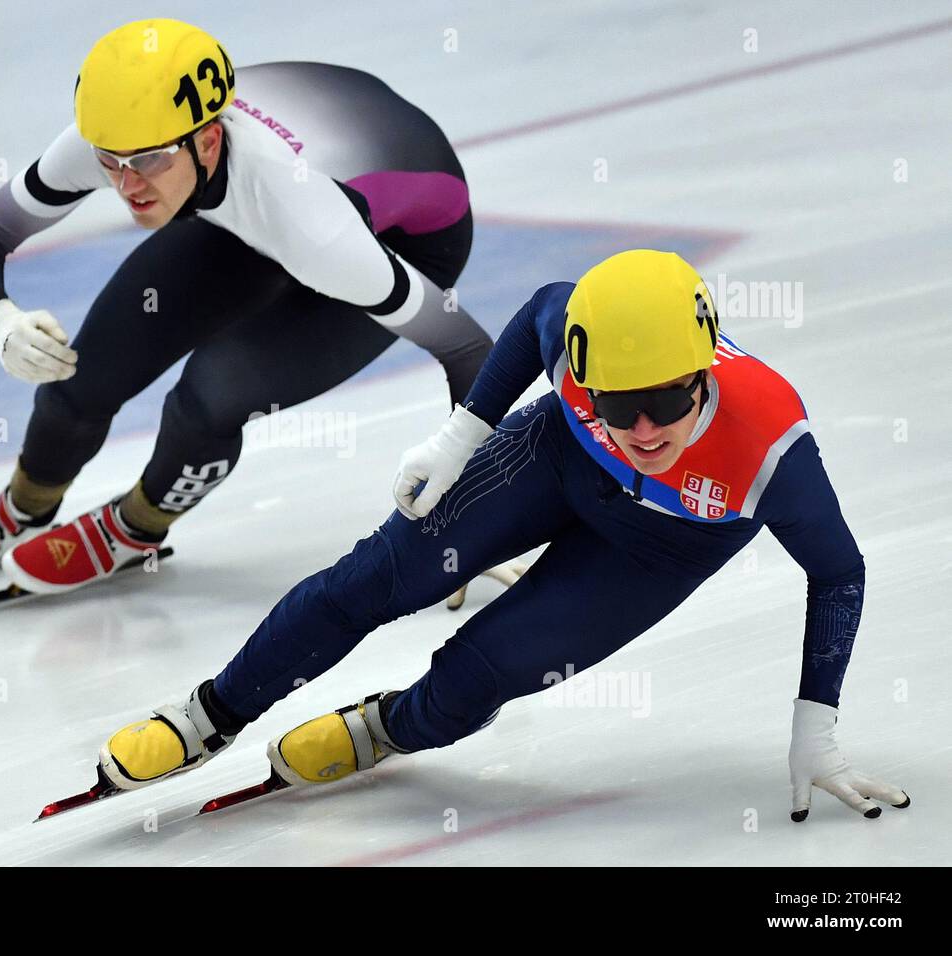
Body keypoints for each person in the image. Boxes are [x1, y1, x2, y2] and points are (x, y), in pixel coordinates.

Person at [92, 249, 910, 824]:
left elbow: (839, 573)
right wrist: (459, 438)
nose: (644, 430)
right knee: (376, 578)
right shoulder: (571, 337)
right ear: (585, 375)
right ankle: (210, 713)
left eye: (666, 401)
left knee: (482, 673)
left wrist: (815, 727)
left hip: (659, 550)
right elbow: (537, 309)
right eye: (618, 404)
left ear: (704, 375)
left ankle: (387, 727)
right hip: (553, 456)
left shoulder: (770, 449)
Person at [0, 18, 495, 596]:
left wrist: (475, 509)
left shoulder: (313, 228)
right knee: (85, 369)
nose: (127, 185)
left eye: (147, 161)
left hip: (399, 239)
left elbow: (466, 346)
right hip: (268, 194)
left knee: (210, 396)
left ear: (208, 140)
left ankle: (136, 528)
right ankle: (22, 506)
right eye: (110, 162)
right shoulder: (125, 135)